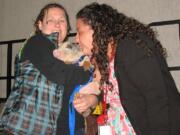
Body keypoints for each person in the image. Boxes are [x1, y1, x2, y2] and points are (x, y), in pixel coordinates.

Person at [73, 2, 180, 135]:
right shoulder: (105, 59)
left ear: (96, 28)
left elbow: (157, 99)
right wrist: (93, 102)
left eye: (79, 31)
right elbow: (112, 106)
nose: (76, 39)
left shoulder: (131, 47)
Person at [0, 3, 99, 135]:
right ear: (40, 25)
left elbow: (97, 85)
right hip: (28, 128)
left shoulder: (75, 52)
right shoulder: (36, 43)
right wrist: (90, 72)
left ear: (67, 27)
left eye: (62, 20)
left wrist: (93, 99)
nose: (57, 24)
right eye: (50, 20)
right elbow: (61, 74)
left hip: (73, 129)